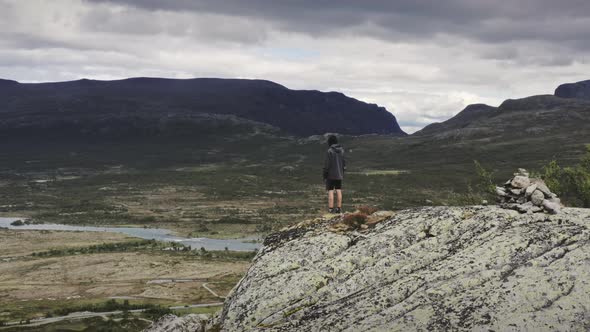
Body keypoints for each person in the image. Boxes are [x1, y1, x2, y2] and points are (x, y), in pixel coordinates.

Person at [323, 135, 346, 213]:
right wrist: (342, 172)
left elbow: (327, 164)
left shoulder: (329, 151)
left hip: (331, 174)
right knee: (338, 190)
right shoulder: (342, 150)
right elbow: (343, 163)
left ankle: (330, 209)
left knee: (330, 191)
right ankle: (339, 208)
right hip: (339, 174)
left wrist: (325, 174)